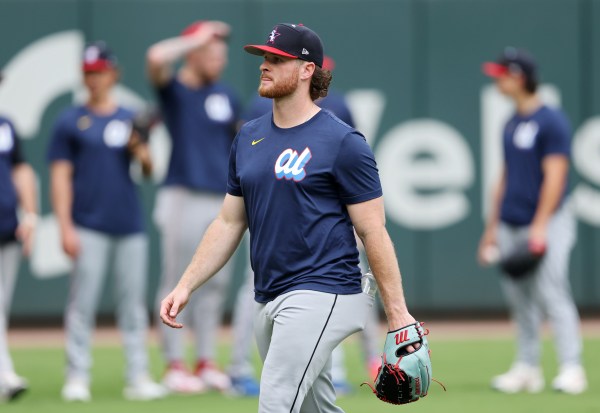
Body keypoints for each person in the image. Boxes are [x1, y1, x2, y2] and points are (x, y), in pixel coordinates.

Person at [160, 23, 419, 413]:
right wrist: (186, 284)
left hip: (325, 290)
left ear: (306, 70)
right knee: (316, 407)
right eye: (264, 57)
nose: (265, 65)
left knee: (276, 401)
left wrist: (397, 314)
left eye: (277, 59)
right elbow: (229, 222)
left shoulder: (343, 142)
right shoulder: (248, 137)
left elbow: (372, 230)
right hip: (269, 294)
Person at [236, 56, 382, 395]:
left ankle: (371, 358)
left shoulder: (337, 113)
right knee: (255, 290)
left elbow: (355, 164)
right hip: (269, 221)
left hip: (328, 231)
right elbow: (245, 164)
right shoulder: (260, 108)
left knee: (347, 286)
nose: (266, 67)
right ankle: (238, 366)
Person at [47, 41, 167, 402]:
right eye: (88, 73)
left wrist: (140, 150)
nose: (93, 79)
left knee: (132, 305)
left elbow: (148, 170)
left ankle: (138, 375)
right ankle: (77, 376)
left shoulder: (129, 117)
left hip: (128, 223)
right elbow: (59, 177)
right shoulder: (70, 121)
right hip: (87, 223)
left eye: (99, 72)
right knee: (81, 303)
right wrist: (65, 226)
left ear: (113, 73)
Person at [478, 47, 587, 394]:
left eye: (501, 74)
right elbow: (506, 177)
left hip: (546, 221)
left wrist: (541, 225)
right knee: (519, 297)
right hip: (510, 221)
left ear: (518, 77)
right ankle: (528, 367)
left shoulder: (551, 120)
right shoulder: (511, 122)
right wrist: (491, 229)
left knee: (552, 292)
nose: (496, 80)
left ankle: (572, 368)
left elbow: (555, 176)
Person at [146, 20, 242, 394]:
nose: (219, 58)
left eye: (221, 52)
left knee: (215, 282)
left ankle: (205, 360)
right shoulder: (176, 91)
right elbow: (155, 58)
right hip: (182, 194)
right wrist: (194, 40)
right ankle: (174, 364)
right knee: (176, 278)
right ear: (194, 53)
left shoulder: (225, 96)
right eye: (211, 51)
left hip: (221, 200)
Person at [0, 71, 37, 402]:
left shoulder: (6, 125)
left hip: (7, 228)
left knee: (2, 305)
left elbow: (21, 170)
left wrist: (30, 215)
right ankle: (5, 375)